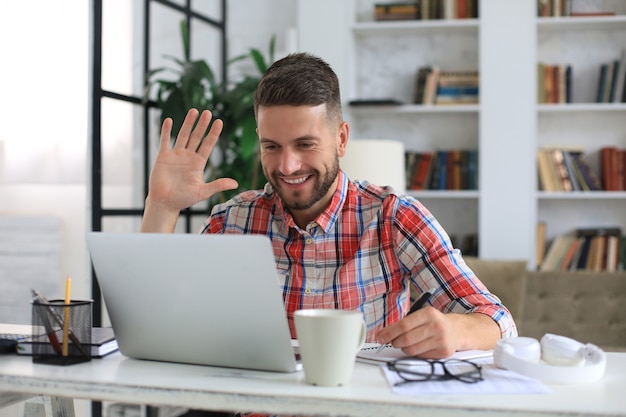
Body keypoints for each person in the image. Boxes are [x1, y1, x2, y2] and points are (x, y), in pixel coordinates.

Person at [141, 52, 517, 361]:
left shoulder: (394, 217)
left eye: (305, 144)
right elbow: (160, 322)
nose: (287, 166)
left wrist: (455, 329)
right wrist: (161, 207)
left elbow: (498, 322)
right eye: (272, 146)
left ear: (341, 138)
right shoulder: (234, 221)